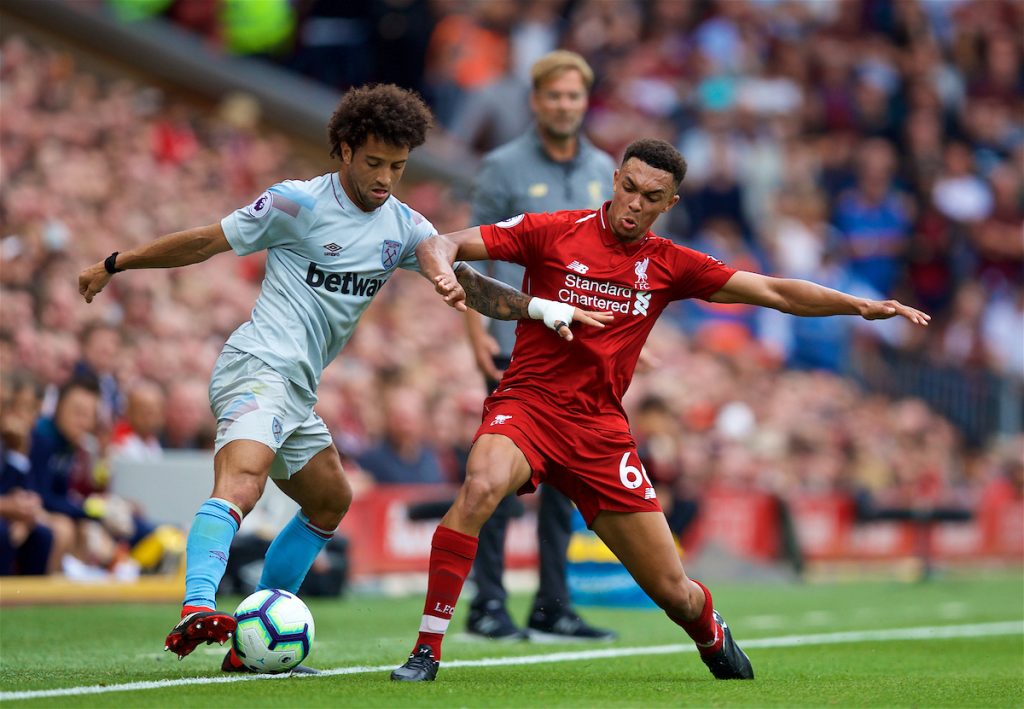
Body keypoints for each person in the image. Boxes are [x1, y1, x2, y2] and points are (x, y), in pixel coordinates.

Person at [77, 83, 608, 674]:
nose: (386, 178)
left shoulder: (405, 226)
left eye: (399, 166)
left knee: (331, 500)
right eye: (375, 162)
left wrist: (541, 309)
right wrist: (114, 263)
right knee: (244, 485)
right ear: (346, 150)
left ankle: (251, 643)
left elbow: (469, 280)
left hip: (298, 387)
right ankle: (198, 604)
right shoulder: (296, 204)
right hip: (257, 364)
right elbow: (205, 242)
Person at [391, 138, 930, 682]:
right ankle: (426, 651)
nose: (634, 203)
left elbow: (772, 290)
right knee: (481, 487)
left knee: (674, 593)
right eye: (628, 187)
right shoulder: (551, 230)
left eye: (651, 197)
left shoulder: (669, 264)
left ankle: (710, 632)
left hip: (600, 432)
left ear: (668, 204)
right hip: (527, 406)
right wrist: (441, 276)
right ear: (615, 178)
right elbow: (443, 243)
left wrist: (855, 304)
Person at [462, 49, 617, 642]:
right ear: (536, 100)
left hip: (582, 352)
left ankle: (553, 604)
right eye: (554, 95)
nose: (563, 105)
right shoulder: (501, 166)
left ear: (585, 101)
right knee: (497, 477)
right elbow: (470, 258)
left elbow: (616, 266)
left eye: (573, 95)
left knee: (568, 483)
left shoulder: (606, 168)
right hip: (515, 344)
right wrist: (476, 335)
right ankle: (488, 604)